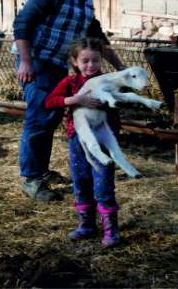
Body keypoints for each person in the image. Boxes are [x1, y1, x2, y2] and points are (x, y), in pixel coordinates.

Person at [13, 0, 125, 202]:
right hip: (35, 60)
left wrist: (120, 67)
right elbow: (23, 24)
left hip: (54, 62)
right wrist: (26, 62)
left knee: (51, 116)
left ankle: (41, 171)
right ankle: (32, 179)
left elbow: (96, 35)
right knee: (40, 117)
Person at [44, 38, 121, 248]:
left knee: (103, 182)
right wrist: (75, 100)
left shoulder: (107, 81)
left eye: (95, 60)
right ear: (75, 62)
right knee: (81, 180)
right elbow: (51, 101)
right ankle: (86, 224)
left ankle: (111, 228)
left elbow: (118, 103)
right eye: (85, 61)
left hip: (102, 142)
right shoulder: (70, 83)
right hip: (78, 140)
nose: (90, 65)